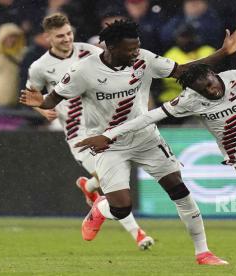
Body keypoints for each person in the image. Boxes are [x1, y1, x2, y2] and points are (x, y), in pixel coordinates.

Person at [20, 19, 236, 265]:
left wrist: (223, 52)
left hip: (146, 138)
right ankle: (100, 208)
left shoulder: (144, 59)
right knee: (122, 208)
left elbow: (184, 70)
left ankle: (203, 252)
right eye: (130, 49)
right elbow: (52, 100)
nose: (135, 52)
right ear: (111, 47)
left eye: (137, 46)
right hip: (108, 144)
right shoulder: (84, 70)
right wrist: (40, 102)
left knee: (179, 190)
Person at [75, 62, 236, 262]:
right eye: (204, 90)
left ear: (213, 74)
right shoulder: (189, 100)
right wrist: (108, 135)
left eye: (210, 83)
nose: (212, 90)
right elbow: (148, 117)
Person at [24, 13, 153, 250]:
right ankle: (138, 234)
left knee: (117, 174)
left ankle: (89, 186)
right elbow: (31, 95)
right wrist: (43, 111)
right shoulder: (40, 67)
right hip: (77, 133)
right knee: (113, 184)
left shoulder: (89, 52)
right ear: (48, 37)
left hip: (104, 126)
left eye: (69, 33)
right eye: (60, 36)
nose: (66, 39)